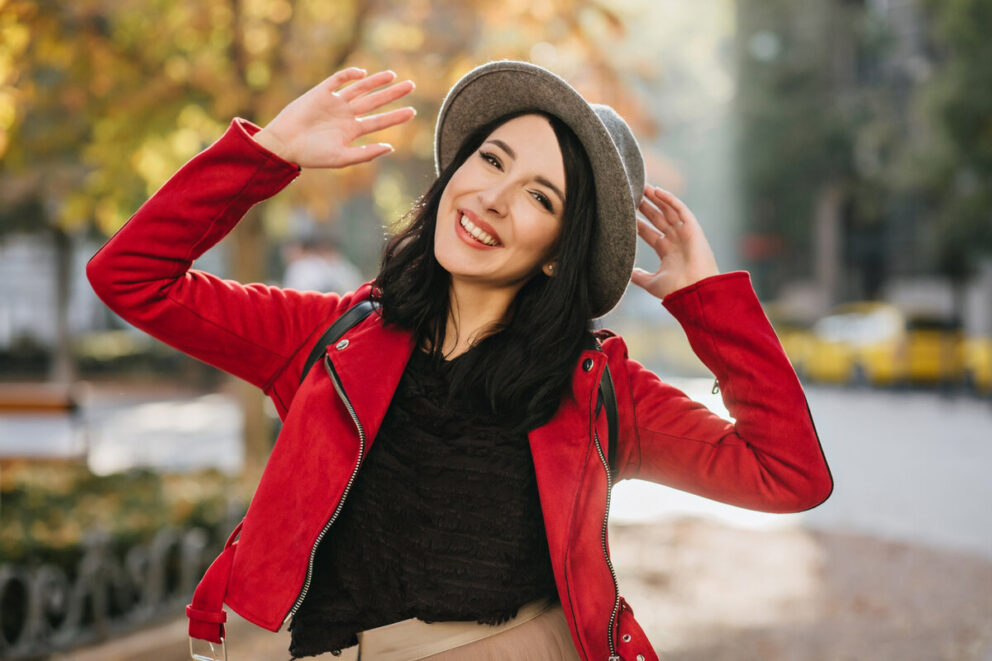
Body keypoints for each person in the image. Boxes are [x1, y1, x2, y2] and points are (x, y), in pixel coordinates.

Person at [87, 61, 832, 661]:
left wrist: (707, 304)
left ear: (556, 256)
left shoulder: (597, 391)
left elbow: (790, 474)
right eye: (491, 159)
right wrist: (267, 154)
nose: (494, 199)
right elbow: (130, 277)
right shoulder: (330, 339)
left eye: (540, 196)